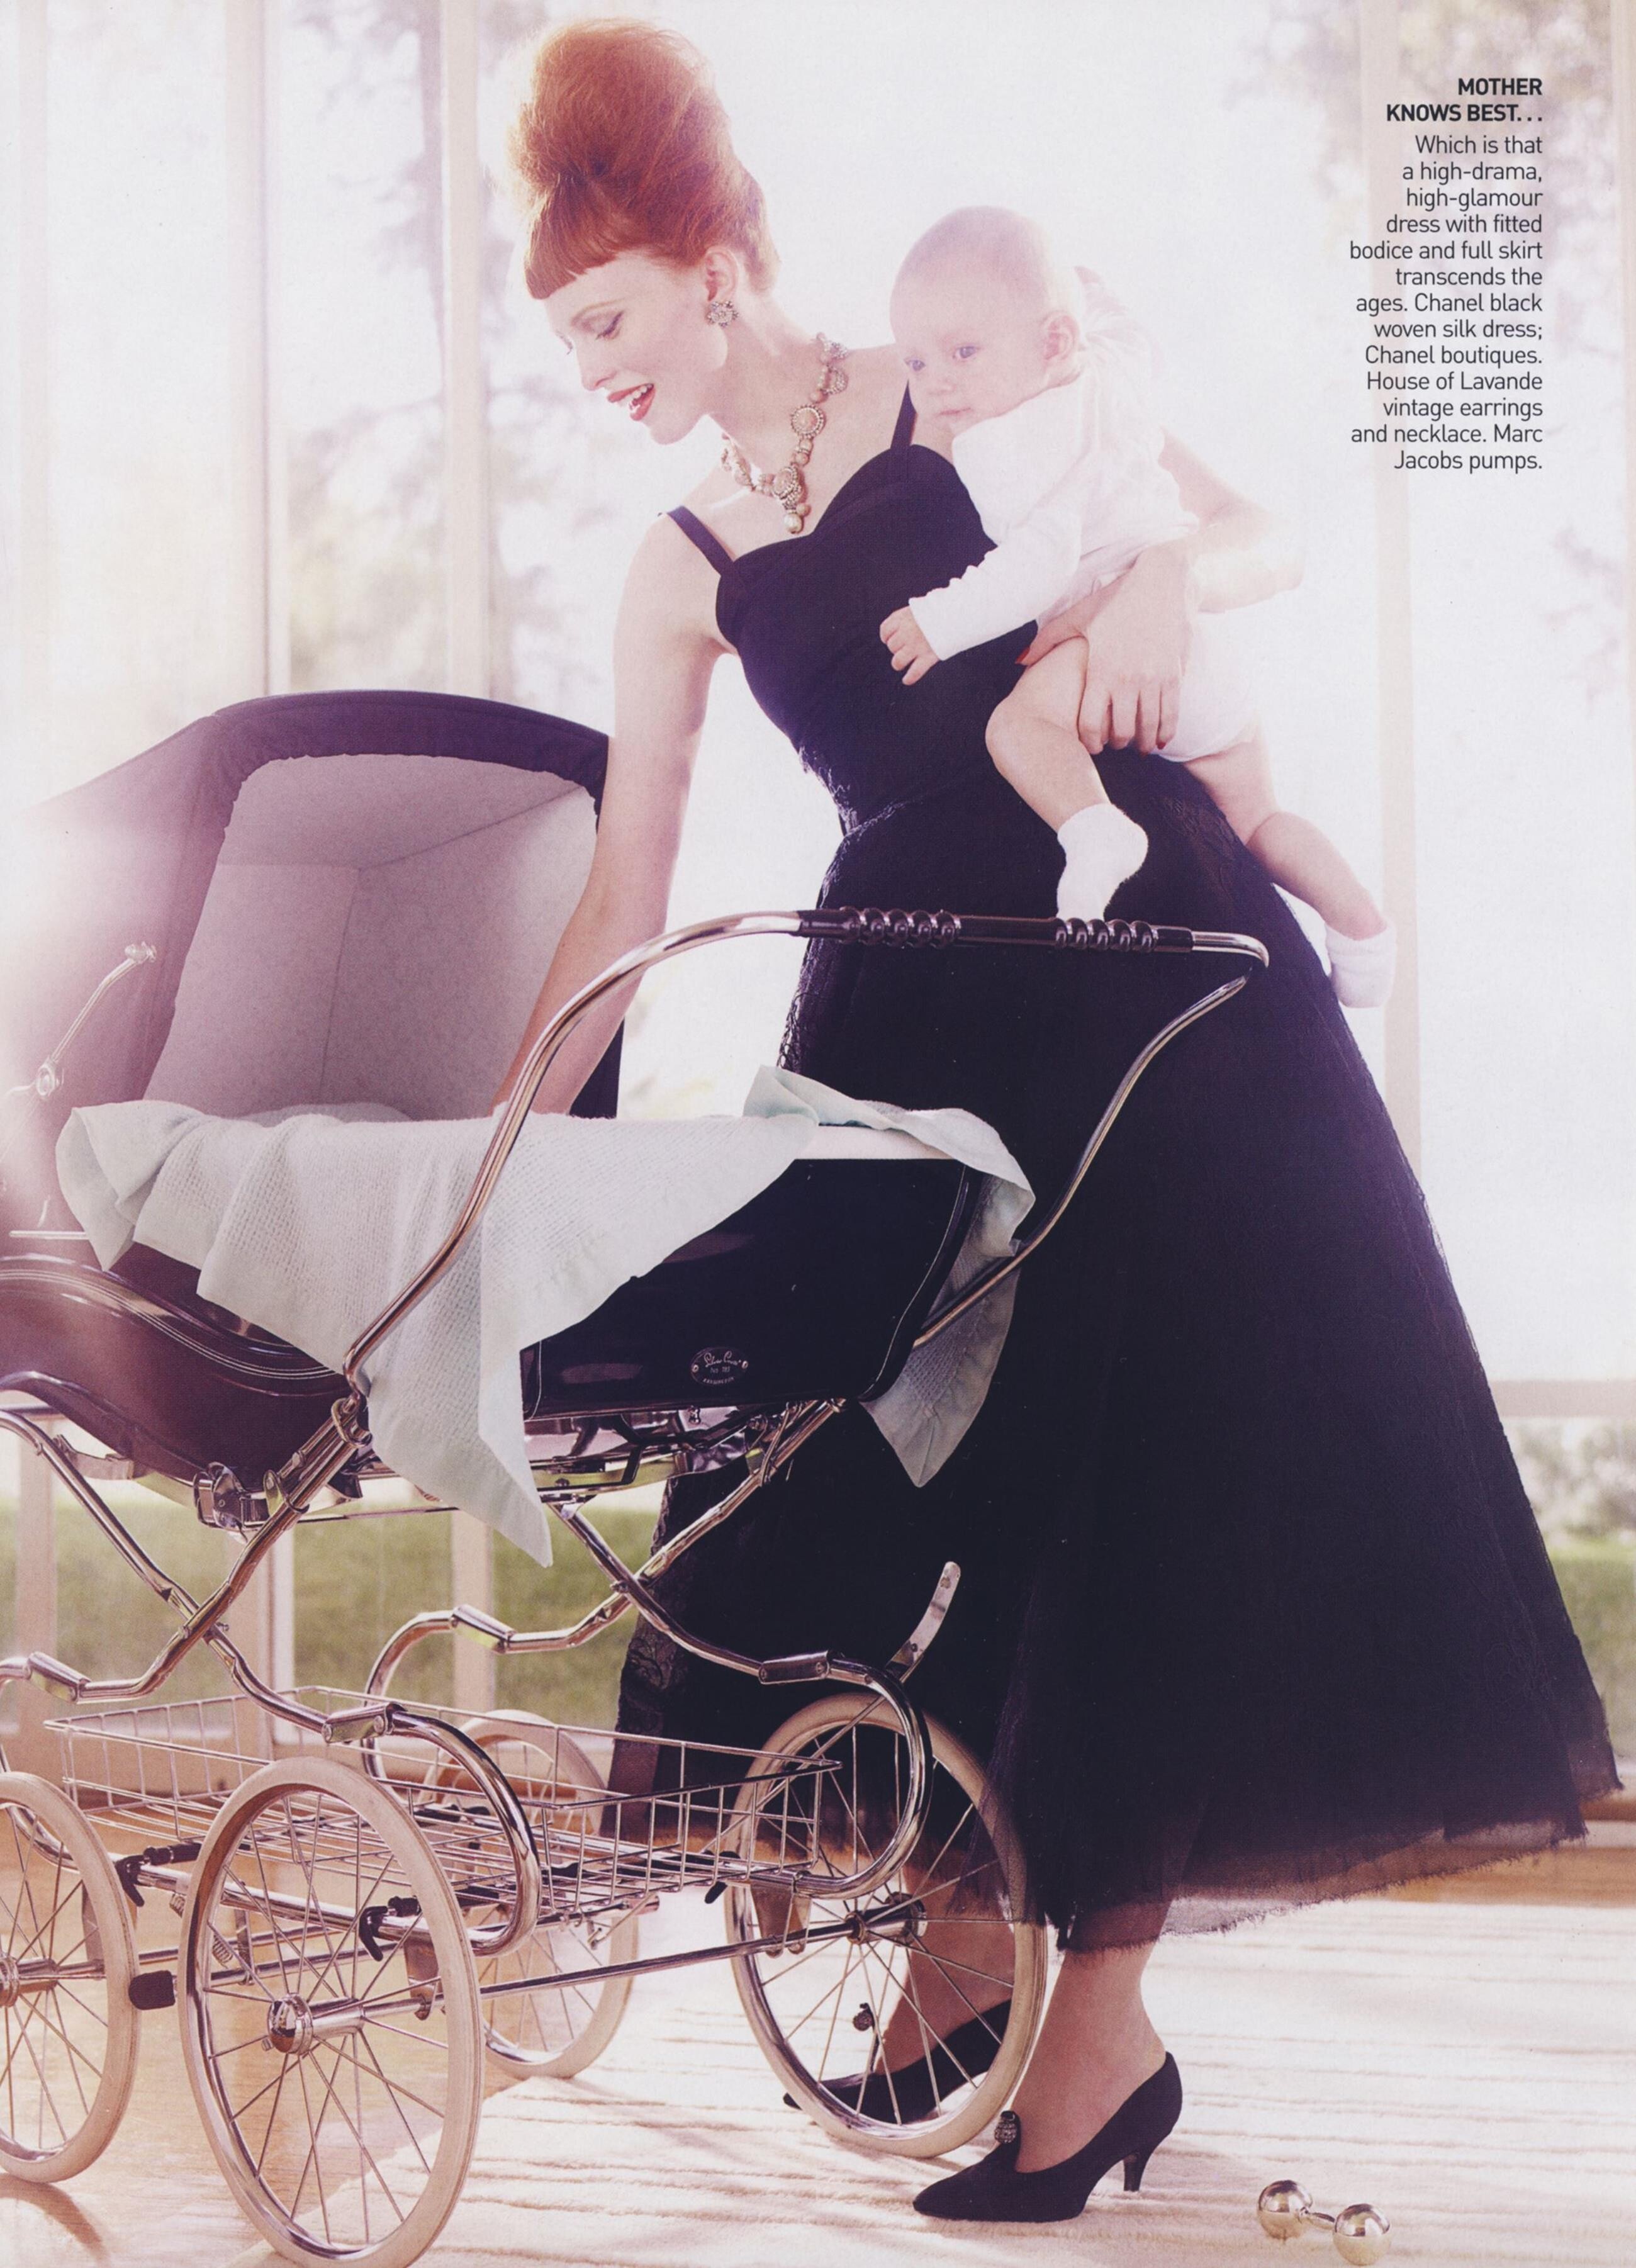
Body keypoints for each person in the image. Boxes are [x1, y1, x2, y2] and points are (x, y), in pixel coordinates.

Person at [496, 15, 1617, 2225]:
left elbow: (1249, 526)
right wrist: (510, 1143)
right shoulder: (676, 560)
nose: (590, 376)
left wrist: (1165, 578)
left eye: (606, 324)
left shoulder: (963, 353)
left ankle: (1090, 2035)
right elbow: (622, 896)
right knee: (879, 1468)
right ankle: (964, 1945)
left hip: (1145, 969)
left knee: (1146, 1469)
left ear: (714, 265)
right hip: (915, 1007)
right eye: (564, 345)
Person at [878, 205, 1394, 1006]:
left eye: (963, 352)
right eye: (915, 361)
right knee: (1259, 820)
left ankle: (1093, 828)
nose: (936, 383)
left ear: (1051, 342)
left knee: (1019, 728)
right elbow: (1131, 339)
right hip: (1204, 650)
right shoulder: (1108, 374)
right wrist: (1094, 295)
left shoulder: (1008, 442)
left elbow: (1039, 563)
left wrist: (939, 622)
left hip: (1121, 635)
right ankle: (1359, 926)